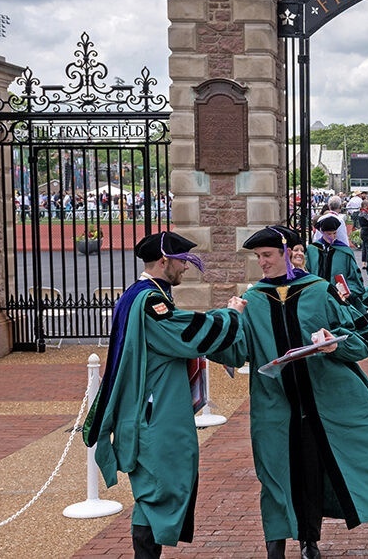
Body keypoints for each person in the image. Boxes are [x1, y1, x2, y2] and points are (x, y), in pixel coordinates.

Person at [212, 226, 368, 559]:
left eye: (267, 255)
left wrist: (332, 346)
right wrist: (229, 318)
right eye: (258, 257)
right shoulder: (253, 299)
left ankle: (308, 540)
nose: (263, 263)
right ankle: (275, 544)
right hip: (274, 405)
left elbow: (361, 339)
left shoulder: (318, 291)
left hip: (320, 401)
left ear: (287, 252)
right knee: (274, 473)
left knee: (311, 473)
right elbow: (235, 352)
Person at [83, 231, 246, 558]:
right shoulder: (149, 301)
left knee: (155, 493)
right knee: (157, 493)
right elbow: (184, 334)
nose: (186, 268)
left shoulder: (137, 294)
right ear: (163, 261)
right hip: (153, 415)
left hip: (149, 408)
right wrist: (231, 315)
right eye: (182, 261)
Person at [306, 214, 367, 315]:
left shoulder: (344, 251)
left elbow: (354, 276)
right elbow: (306, 272)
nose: (332, 237)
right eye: (329, 234)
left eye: (334, 233)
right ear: (322, 233)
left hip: (340, 300)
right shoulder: (312, 250)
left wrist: (349, 292)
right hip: (316, 298)